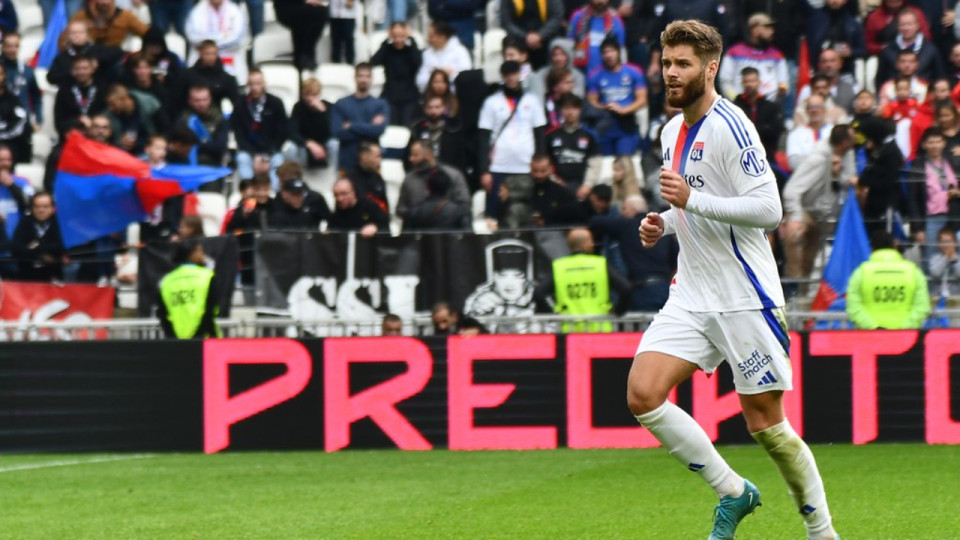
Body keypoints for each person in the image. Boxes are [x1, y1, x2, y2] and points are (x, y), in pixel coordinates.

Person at [631, 20, 840, 540]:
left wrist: (689, 201)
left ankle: (822, 532)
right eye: (666, 63)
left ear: (711, 67)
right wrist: (664, 222)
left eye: (682, 63)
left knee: (767, 425)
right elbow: (689, 205)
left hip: (745, 296)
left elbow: (768, 210)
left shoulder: (734, 125)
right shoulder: (669, 132)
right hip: (693, 293)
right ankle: (732, 491)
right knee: (642, 394)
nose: (672, 73)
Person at [780, 125, 856, 289]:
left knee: (810, 258)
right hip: (805, 210)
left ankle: (803, 294)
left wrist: (838, 174)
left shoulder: (848, 155)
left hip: (823, 215)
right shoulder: (818, 160)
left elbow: (845, 180)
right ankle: (793, 284)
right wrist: (795, 216)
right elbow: (791, 190)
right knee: (794, 234)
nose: (855, 143)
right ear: (843, 143)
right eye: (851, 140)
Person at [478, 60, 546, 219]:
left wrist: (540, 163)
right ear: (502, 76)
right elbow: (483, 138)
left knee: (527, 209)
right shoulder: (491, 102)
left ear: (520, 75)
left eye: (514, 74)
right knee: (495, 213)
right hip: (498, 165)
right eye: (507, 74)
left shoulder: (532, 101)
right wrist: (484, 170)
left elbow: (540, 134)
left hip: (526, 165)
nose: (511, 78)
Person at [590, 194, 678, 312]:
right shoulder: (661, 228)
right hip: (665, 289)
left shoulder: (626, 225)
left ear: (632, 210)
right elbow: (677, 257)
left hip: (641, 291)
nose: (621, 213)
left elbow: (595, 221)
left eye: (624, 209)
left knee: (643, 330)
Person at [537, 227, 631, 332]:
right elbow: (626, 288)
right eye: (590, 241)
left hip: (569, 330)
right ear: (585, 243)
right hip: (600, 329)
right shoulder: (600, 264)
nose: (592, 244)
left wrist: (554, 314)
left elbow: (539, 294)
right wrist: (618, 311)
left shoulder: (559, 266)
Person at [847, 230, 930, 329]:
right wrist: (903, 329)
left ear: (871, 249)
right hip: (905, 340)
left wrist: (874, 328)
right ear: (895, 247)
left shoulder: (860, 272)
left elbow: (854, 309)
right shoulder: (913, 271)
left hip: (869, 340)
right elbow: (922, 307)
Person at [586, 36, 647, 159]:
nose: (608, 55)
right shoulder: (595, 75)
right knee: (605, 163)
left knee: (625, 160)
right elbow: (591, 100)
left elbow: (642, 99)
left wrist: (624, 110)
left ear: (618, 52)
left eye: (612, 51)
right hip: (605, 122)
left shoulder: (634, 72)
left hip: (627, 122)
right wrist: (604, 107)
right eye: (605, 52)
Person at [907, 127, 960, 261]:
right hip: (931, 220)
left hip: (954, 217)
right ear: (924, 145)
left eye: (938, 141)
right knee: (932, 261)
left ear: (944, 143)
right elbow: (912, 199)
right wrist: (918, 228)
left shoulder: (954, 162)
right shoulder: (917, 166)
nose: (935, 145)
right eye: (931, 142)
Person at [232, 69, 289, 188]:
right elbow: (239, 134)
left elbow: (282, 132)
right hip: (249, 151)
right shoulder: (240, 104)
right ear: (248, 84)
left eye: (258, 84)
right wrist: (254, 155)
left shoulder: (276, 103)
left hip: (271, 151)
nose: (255, 88)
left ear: (264, 83)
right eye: (252, 84)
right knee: (242, 158)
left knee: (278, 161)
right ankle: (248, 192)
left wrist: (267, 156)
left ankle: (274, 193)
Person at [157, 238, 222, 339]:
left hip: (176, 343)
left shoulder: (167, 281)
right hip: (207, 342)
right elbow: (210, 312)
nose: (203, 255)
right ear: (193, 252)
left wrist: (173, 338)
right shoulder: (207, 276)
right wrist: (197, 337)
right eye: (201, 250)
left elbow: (163, 314)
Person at [718, 13, 788, 104]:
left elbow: (783, 84)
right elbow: (725, 81)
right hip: (740, 107)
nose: (772, 31)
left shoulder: (777, 55)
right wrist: (736, 100)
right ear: (754, 29)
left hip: (769, 109)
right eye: (767, 27)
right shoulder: (734, 52)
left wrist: (771, 104)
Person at [331, 63, 390, 173]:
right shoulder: (341, 103)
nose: (363, 80)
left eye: (367, 76)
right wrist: (369, 127)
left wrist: (351, 125)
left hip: (372, 163)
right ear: (355, 77)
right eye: (360, 76)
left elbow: (379, 130)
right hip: (347, 161)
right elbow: (337, 131)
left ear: (372, 79)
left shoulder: (380, 104)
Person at [397, 140, 470, 221]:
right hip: (418, 229)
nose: (411, 159)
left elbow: (464, 205)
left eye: (415, 155)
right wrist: (418, 214)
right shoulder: (409, 179)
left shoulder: (453, 175)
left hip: (448, 228)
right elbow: (401, 209)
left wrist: (446, 213)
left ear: (428, 154)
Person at [545, 92, 601, 195]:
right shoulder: (551, 135)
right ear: (560, 110)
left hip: (582, 188)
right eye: (566, 108)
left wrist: (587, 186)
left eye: (574, 108)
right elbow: (546, 163)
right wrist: (555, 181)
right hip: (556, 187)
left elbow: (595, 163)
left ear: (580, 110)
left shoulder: (589, 135)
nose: (570, 112)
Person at [875, 8, 943, 92]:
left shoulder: (930, 50)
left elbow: (939, 77)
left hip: (924, 98)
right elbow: (880, 79)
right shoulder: (888, 51)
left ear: (918, 25)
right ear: (898, 27)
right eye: (903, 24)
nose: (906, 28)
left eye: (910, 24)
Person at [371, 22, 423, 127]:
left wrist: (411, 40)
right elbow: (374, 61)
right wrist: (386, 42)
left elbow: (419, 62)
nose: (398, 40)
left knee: (408, 126)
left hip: (409, 96)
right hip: (390, 95)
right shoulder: (387, 49)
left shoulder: (411, 50)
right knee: (391, 127)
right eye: (395, 36)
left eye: (402, 36)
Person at [185, 0, 249, 83]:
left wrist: (211, 44)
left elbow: (237, 40)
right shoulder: (197, 11)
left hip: (229, 57)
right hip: (202, 58)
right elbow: (191, 35)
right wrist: (220, 39)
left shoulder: (235, 11)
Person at [48, 20, 125, 88]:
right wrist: (73, 72)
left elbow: (119, 52)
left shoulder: (96, 50)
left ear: (87, 34)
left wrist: (95, 60)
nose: (76, 35)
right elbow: (51, 77)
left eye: (80, 32)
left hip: (98, 92)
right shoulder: (63, 57)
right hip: (71, 93)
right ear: (68, 36)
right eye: (73, 33)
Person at [732, 67, 784, 163]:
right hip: (739, 157)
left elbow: (775, 132)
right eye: (746, 81)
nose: (749, 84)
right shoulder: (734, 107)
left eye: (752, 81)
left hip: (767, 157)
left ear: (759, 82)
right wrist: (763, 129)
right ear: (742, 83)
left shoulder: (771, 107)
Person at [174, 40, 240, 115]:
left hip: (215, 120)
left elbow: (237, 103)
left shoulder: (226, 78)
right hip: (189, 119)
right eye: (207, 54)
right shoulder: (186, 75)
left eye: (213, 54)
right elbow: (176, 101)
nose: (210, 57)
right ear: (200, 54)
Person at [10, 192, 65, 282]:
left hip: (54, 277)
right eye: (37, 206)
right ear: (32, 208)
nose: (41, 210)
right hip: (27, 278)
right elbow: (15, 247)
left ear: (52, 208)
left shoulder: (59, 223)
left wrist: (35, 247)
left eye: (45, 206)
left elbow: (60, 246)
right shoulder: (25, 222)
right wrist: (42, 254)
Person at [407, 95, 467, 174]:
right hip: (421, 174)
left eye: (437, 107)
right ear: (425, 109)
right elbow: (408, 156)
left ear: (444, 108)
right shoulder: (417, 130)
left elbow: (460, 157)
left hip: (448, 174)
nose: (433, 111)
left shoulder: (453, 130)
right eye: (430, 107)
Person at [53, 54, 108, 137]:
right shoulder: (65, 90)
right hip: (72, 136)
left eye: (85, 68)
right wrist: (78, 121)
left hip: (97, 136)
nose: (81, 72)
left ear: (92, 69)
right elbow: (59, 120)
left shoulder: (102, 88)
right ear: (73, 70)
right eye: (78, 69)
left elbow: (107, 115)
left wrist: (93, 123)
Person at [567, 0, 625, 75]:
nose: (600, 1)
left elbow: (620, 49)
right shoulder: (578, 16)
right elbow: (568, 44)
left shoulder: (616, 19)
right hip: (580, 70)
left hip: (605, 73)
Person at [500, 0, 563, 69]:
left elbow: (556, 17)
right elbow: (507, 22)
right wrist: (525, 37)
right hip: (519, 40)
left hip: (546, 39)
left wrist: (540, 35)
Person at [61, 0, 149, 49]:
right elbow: (63, 41)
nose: (104, 3)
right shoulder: (81, 16)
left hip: (113, 57)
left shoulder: (125, 16)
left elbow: (147, 33)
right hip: (86, 57)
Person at [178, 85, 230, 166]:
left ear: (210, 99)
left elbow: (220, 147)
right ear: (190, 101)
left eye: (204, 100)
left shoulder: (219, 119)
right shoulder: (184, 119)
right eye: (197, 100)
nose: (201, 104)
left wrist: (195, 145)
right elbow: (178, 146)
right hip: (185, 163)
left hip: (212, 163)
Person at [416, 21, 472, 94]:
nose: (429, 40)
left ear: (443, 36)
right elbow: (420, 81)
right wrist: (439, 75)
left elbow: (466, 78)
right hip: (431, 96)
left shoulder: (460, 51)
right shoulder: (426, 54)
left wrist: (448, 74)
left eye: (431, 37)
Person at [402, 171, 471, 231]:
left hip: (423, 246)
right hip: (451, 245)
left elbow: (405, 238)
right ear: (448, 187)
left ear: (428, 186)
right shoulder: (459, 212)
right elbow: (468, 236)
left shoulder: (414, 212)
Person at [1, 33, 42, 133]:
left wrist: (38, 120)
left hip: (23, 121)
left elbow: (36, 97)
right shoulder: (0, 70)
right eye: (9, 46)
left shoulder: (27, 71)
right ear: (3, 47)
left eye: (16, 46)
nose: (12, 50)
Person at [289, 78, 332, 170]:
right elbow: (292, 132)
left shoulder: (329, 107)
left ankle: (335, 174)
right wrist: (309, 144)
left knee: (334, 144)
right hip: (305, 145)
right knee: (291, 147)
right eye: (307, 95)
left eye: (314, 95)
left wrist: (322, 112)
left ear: (319, 94)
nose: (310, 99)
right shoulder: (298, 107)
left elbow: (332, 131)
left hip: (324, 145)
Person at [274, 0, 328, 71]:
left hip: (300, 7)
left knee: (306, 23)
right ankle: (305, 54)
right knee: (320, 13)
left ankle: (302, 56)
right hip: (285, 6)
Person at [786, 94, 833, 172]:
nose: (814, 110)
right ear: (806, 111)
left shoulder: (833, 131)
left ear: (825, 110)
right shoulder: (795, 134)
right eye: (811, 107)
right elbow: (793, 163)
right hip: (804, 179)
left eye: (818, 106)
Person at [0, 145, 33, 242]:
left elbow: (31, 205)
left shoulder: (23, 182)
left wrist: (12, 186)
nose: (6, 163)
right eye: (1, 160)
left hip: (17, 239)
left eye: (9, 160)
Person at [0, 64, 31, 164]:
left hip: (9, 143)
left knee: (6, 154)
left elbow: (20, 124)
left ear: (4, 76)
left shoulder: (13, 100)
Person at [346, 141, 389, 213]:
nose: (380, 160)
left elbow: (385, 207)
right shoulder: (349, 180)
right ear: (364, 157)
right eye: (377, 156)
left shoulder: (378, 178)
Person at [929, 226, 960, 297]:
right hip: (937, 297)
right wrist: (945, 258)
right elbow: (935, 274)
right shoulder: (934, 259)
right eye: (943, 242)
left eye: (949, 242)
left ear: (955, 243)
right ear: (939, 244)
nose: (946, 245)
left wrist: (954, 259)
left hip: (956, 298)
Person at [328, 0, 361, 65]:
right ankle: (335, 62)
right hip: (335, 15)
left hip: (348, 15)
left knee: (349, 38)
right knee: (335, 39)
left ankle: (350, 61)